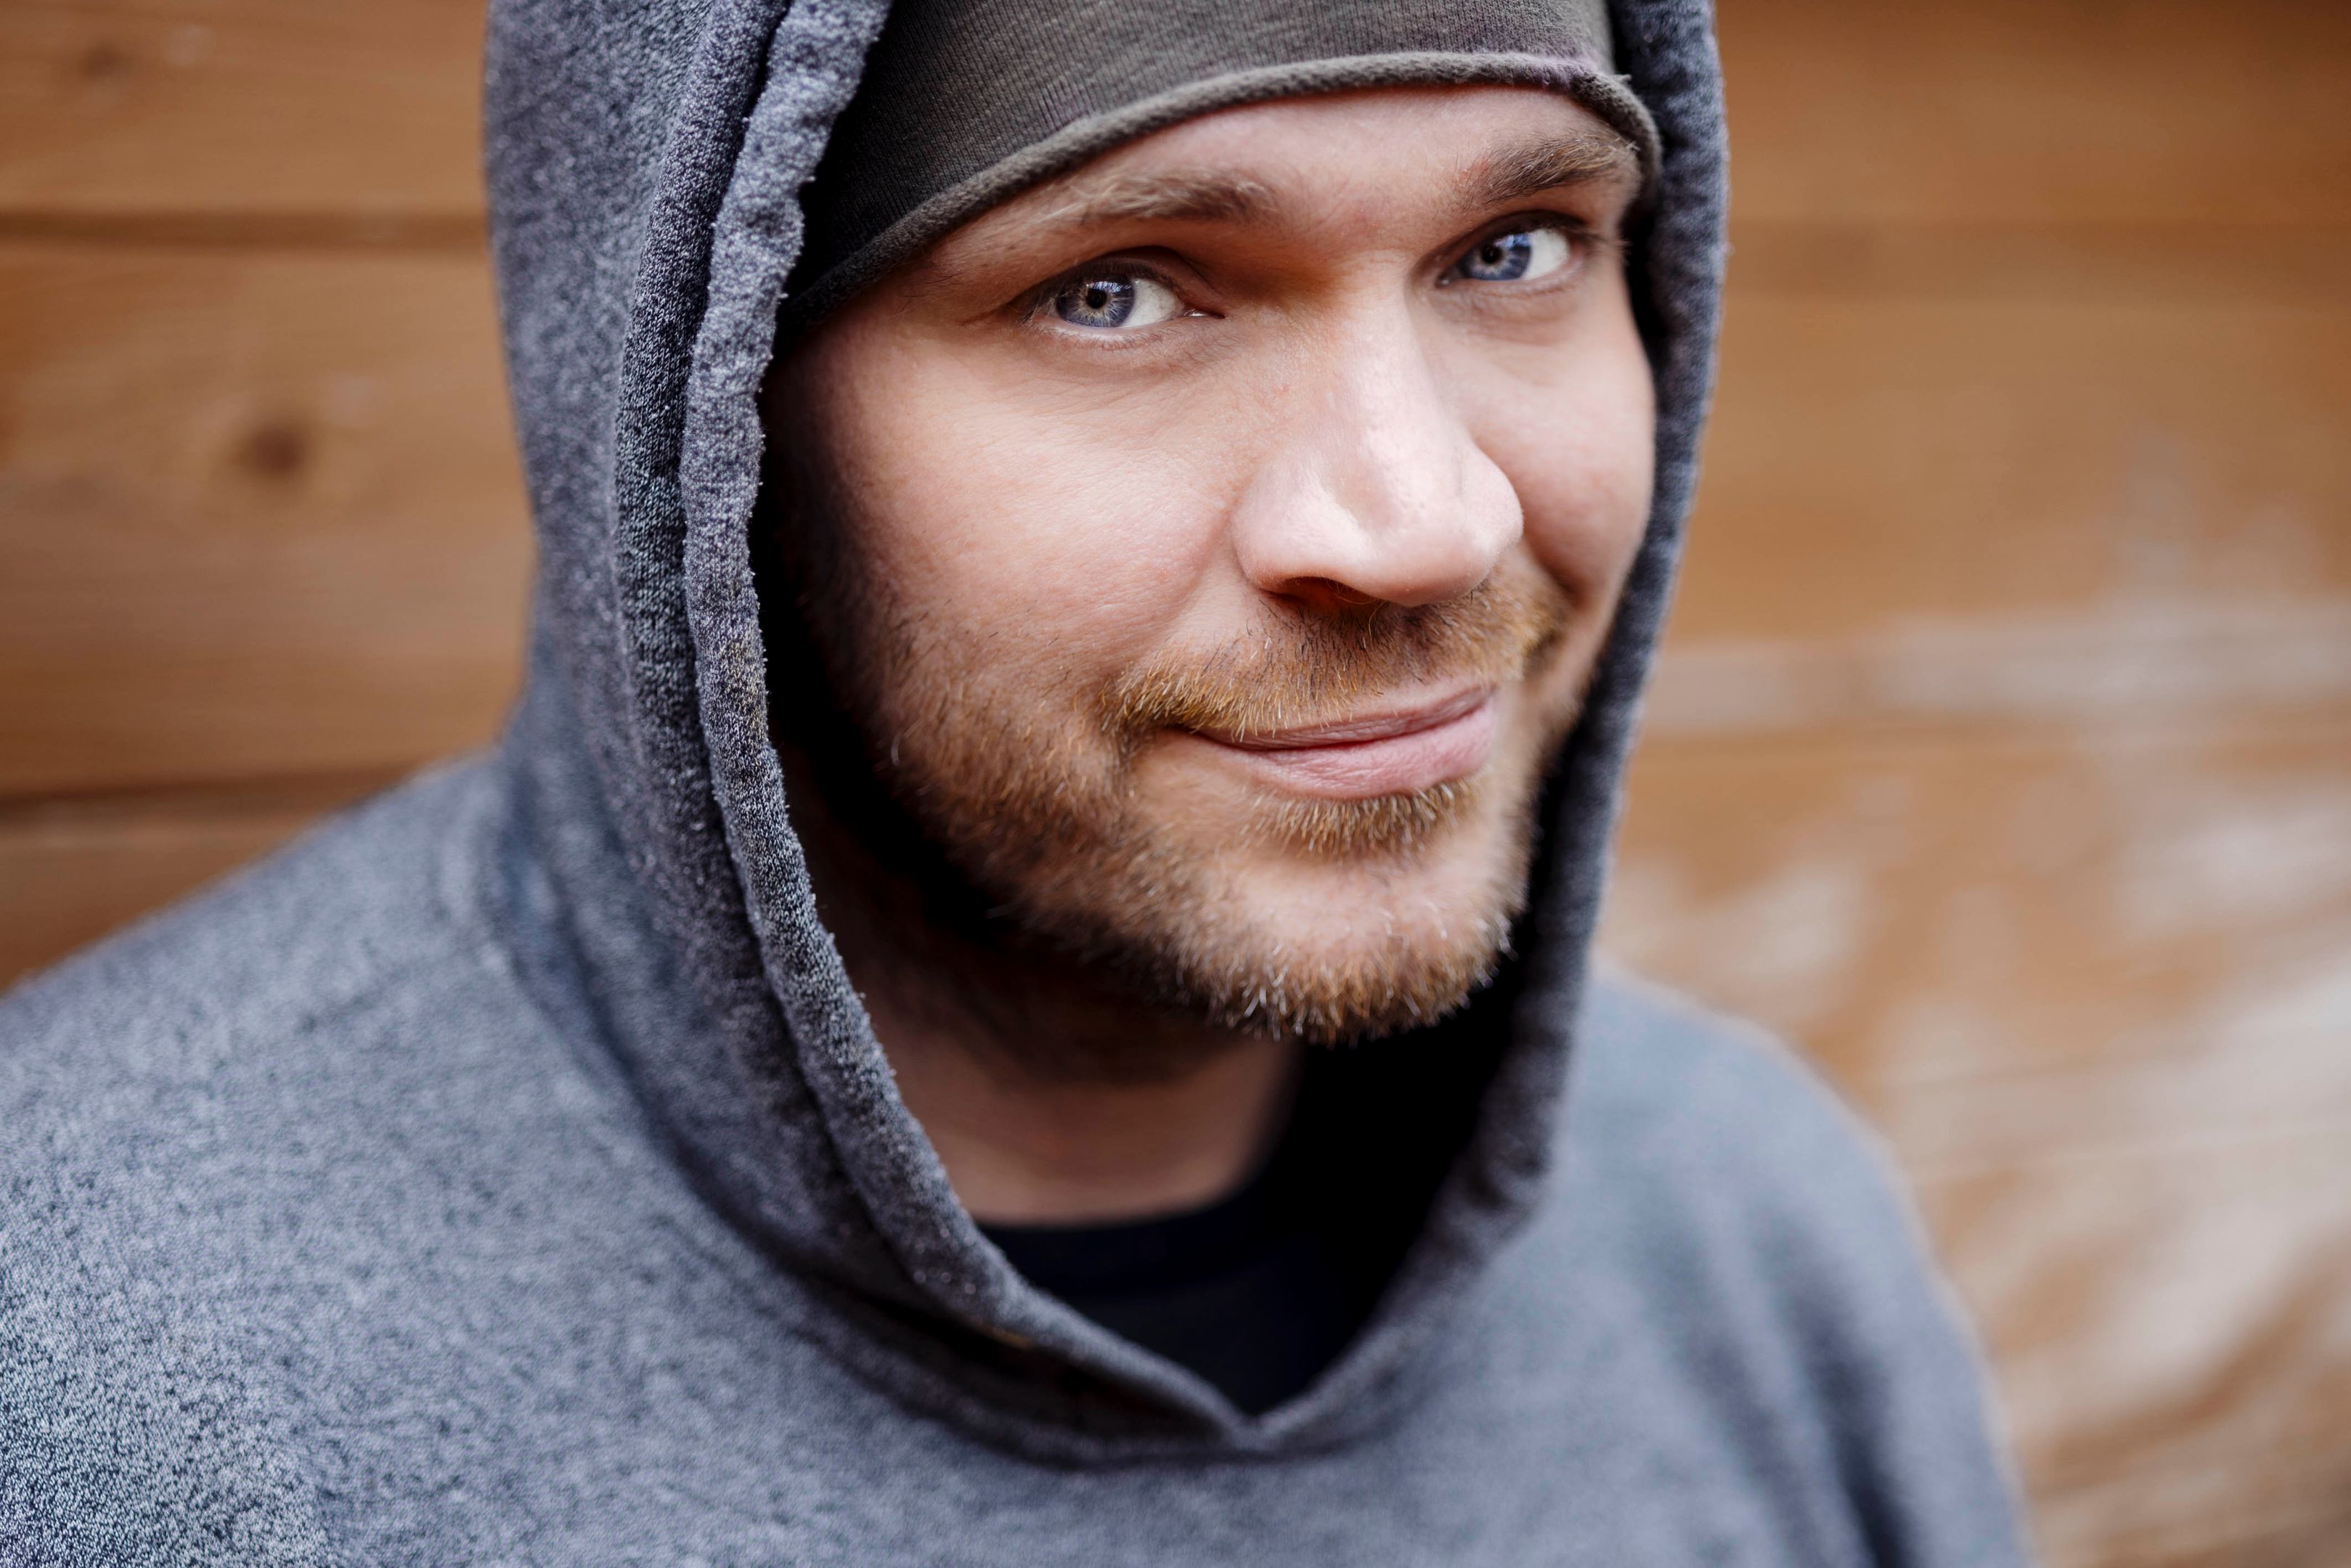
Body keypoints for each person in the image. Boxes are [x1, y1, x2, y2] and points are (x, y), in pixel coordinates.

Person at [0, 0, 2031, 1561]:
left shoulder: (1746, 1233)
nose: (1424, 522)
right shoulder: (99, 1362)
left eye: (1515, 248)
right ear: (704, 424)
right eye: (1114, 289)